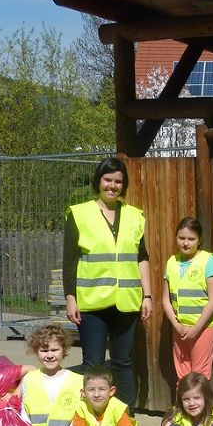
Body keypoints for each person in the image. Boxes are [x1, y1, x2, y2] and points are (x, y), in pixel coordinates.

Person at [64, 157, 152, 410]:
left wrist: (148, 295)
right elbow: (69, 260)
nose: (112, 186)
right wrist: (71, 297)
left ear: (123, 185)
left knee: (123, 361)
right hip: (91, 302)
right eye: (108, 180)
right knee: (93, 363)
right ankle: (90, 416)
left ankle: (126, 416)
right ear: (99, 181)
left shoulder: (135, 216)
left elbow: (142, 257)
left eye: (118, 181)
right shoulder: (78, 214)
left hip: (126, 301)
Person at [18, 324, 83, 426]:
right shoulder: (30, 379)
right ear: (36, 352)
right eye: (44, 350)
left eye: (55, 350)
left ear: (64, 350)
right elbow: (24, 414)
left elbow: (80, 419)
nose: (49, 355)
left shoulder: (77, 381)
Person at [162, 217, 213, 380]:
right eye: (181, 238)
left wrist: (195, 329)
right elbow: (165, 300)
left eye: (191, 239)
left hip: (203, 328)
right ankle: (181, 406)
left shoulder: (208, 261)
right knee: (182, 375)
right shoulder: (172, 261)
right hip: (180, 328)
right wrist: (177, 325)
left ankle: (203, 406)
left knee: (199, 376)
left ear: (199, 240)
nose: (186, 243)